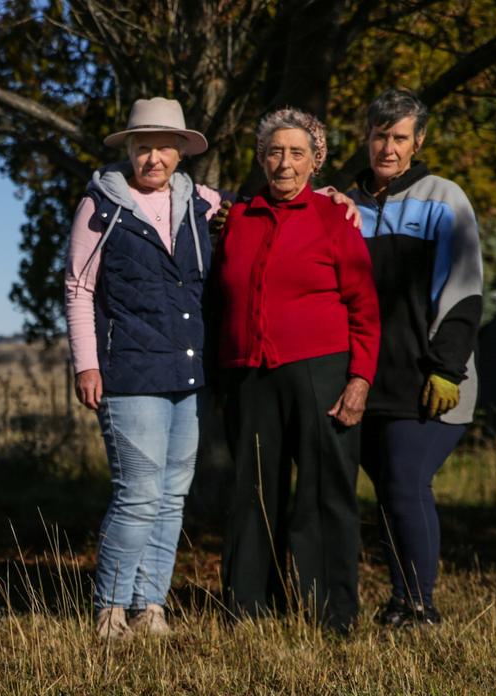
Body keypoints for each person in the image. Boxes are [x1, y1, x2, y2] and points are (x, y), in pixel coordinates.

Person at [64, 98, 359, 640]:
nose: (153, 157)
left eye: (164, 147)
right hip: (129, 369)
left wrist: (328, 194)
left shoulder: (203, 202)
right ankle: (110, 608)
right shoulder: (99, 206)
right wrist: (87, 363)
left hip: (190, 371)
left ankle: (150, 606)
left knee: (173, 492)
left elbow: (274, 201)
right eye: (143, 146)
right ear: (128, 149)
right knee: (139, 491)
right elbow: (78, 288)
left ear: (181, 152)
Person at [214, 107, 380, 635]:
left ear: (316, 161)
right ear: (261, 158)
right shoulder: (236, 218)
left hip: (321, 372)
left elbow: (365, 308)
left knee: (324, 490)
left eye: (296, 153)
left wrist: (360, 379)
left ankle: (332, 612)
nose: (284, 163)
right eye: (274, 152)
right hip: (248, 374)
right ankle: (249, 607)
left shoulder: (336, 218)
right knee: (252, 491)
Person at [348, 88, 483, 629]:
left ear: (418, 142)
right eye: (380, 135)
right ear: (367, 136)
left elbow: (466, 288)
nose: (388, 147)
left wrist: (447, 368)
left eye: (400, 137)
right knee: (388, 489)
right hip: (367, 378)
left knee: (405, 481)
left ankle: (421, 605)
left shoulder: (443, 198)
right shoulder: (343, 204)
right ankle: (401, 599)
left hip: (429, 377)